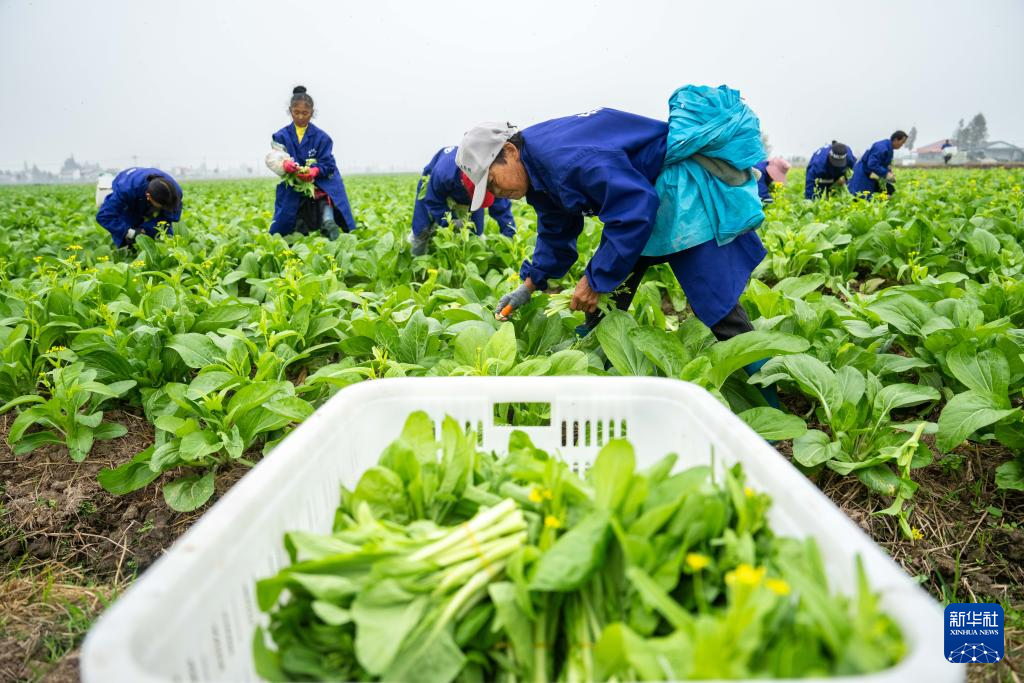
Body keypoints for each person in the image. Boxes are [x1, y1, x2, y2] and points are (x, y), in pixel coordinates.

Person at [458, 87, 779, 406]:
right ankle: (591, 381)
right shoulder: (536, 170)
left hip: (676, 192)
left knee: (715, 303)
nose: (496, 192)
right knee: (606, 301)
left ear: (510, 153)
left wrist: (596, 279)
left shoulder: (566, 160)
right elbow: (557, 232)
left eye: (493, 180)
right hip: (645, 199)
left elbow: (635, 207)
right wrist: (528, 287)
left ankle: (770, 400)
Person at [269, 86, 356, 240]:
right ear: (290, 111)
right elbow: (275, 156)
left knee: (326, 202)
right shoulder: (281, 136)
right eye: (297, 112)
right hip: (295, 183)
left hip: (320, 182)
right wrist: (285, 165)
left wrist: (314, 171)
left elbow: (328, 163)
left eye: (305, 113)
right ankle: (297, 237)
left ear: (312, 113)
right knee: (288, 218)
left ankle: (328, 225)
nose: (301, 117)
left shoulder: (322, 137)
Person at [410, 145, 516, 256]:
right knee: (421, 227)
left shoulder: (493, 178)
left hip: (470, 185)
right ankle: (417, 258)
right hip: (434, 184)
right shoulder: (443, 173)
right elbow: (433, 203)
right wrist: (450, 222)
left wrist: (510, 236)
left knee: (476, 233)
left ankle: (469, 260)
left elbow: (502, 209)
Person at [95, 167, 182, 247]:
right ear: (148, 196)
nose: (164, 207)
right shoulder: (126, 191)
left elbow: (170, 218)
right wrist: (129, 232)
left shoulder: (175, 193)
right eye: (161, 205)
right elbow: (104, 216)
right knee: (130, 229)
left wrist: (146, 230)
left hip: (144, 188)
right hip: (129, 184)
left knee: (163, 231)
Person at [849, 131, 907, 198]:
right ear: (896, 140)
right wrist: (886, 174)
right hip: (864, 173)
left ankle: (881, 203)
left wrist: (889, 173)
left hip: (872, 175)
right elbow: (872, 164)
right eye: (902, 142)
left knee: (890, 190)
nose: (902, 145)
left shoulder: (889, 148)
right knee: (860, 197)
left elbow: (885, 164)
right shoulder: (881, 147)